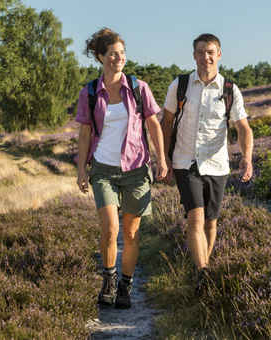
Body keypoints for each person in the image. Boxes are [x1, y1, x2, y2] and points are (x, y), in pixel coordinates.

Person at [75, 28, 167, 309]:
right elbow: (85, 134)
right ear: (101, 56)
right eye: (113, 53)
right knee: (110, 229)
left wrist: (161, 158)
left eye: (122, 52)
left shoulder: (139, 88)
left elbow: (153, 124)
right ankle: (109, 280)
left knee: (130, 233)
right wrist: (81, 170)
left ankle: (126, 286)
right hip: (103, 168)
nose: (119, 57)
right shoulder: (90, 92)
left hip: (136, 169)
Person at [161, 33, 253, 296]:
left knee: (211, 222)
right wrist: (164, 158)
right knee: (196, 217)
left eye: (210, 52)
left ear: (219, 54)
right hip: (184, 161)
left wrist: (246, 157)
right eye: (200, 52)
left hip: (217, 164)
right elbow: (166, 122)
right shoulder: (179, 85)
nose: (206, 57)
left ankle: (204, 269)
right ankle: (203, 272)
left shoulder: (229, 90)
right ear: (194, 56)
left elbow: (243, 127)